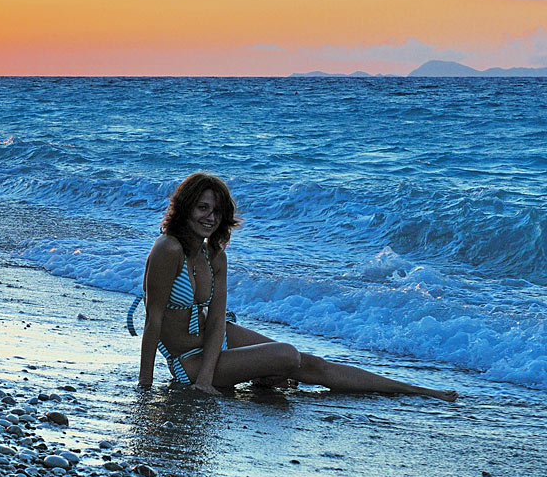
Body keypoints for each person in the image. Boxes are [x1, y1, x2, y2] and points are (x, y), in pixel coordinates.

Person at [133, 172, 458, 402]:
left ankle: (418, 391)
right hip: (186, 361)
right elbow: (154, 319)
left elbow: (217, 321)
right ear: (186, 207)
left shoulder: (214, 254)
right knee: (287, 355)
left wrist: (211, 376)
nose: (211, 217)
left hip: (214, 341)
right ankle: (267, 373)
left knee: (307, 362)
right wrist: (146, 389)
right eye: (203, 208)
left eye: (217, 211)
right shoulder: (168, 249)